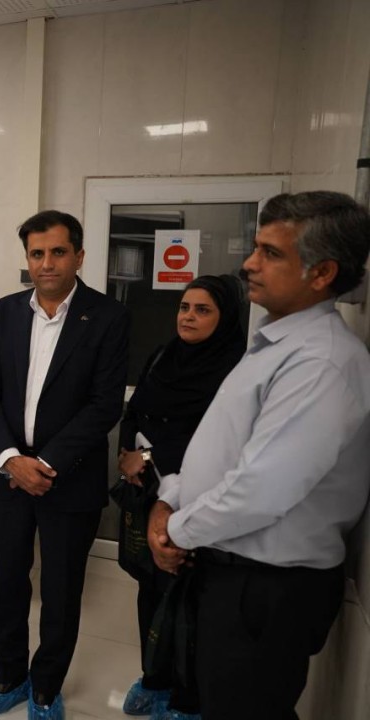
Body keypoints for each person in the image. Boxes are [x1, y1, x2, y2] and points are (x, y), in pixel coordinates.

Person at [148, 191, 370, 720]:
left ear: (322, 273)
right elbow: (224, 448)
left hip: (267, 585)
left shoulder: (321, 363)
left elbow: (260, 490)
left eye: (271, 253)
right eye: (255, 248)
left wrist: (176, 530)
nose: (249, 264)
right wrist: (170, 498)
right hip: (234, 569)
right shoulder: (275, 344)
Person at [0, 210, 129, 720]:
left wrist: (45, 462)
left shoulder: (107, 317)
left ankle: (45, 687)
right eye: (37, 253)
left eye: (58, 252)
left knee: (60, 591)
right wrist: (10, 459)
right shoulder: (6, 312)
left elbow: (105, 405)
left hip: (69, 479)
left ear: (79, 256)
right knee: (8, 582)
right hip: (9, 476)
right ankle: (7, 676)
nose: (46, 263)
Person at [117, 275, 245, 720]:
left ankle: (189, 700)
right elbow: (135, 412)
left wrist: (150, 455)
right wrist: (127, 455)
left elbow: (213, 440)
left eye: (202, 310)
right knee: (150, 587)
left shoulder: (235, 372)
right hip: (147, 491)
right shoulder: (162, 356)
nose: (188, 317)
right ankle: (154, 676)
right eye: (185, 307)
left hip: (199, 499)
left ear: (225, 318)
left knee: (191, 599)